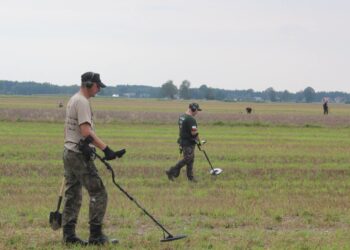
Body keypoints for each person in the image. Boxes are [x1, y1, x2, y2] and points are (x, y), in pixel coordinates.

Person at [62, 71, 123, 245]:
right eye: (97, 86)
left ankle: (69, 237)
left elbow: (68, 130)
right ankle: (96, 237)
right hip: (78, 155)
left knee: (72, 194)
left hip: (69, 152)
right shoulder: (82, 102)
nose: (99, 90)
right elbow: (86, 132)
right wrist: (107, 150)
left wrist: (71, 146)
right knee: (99, 192)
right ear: (89, 84)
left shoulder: (73, 99)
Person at [166, 103, 202, 182]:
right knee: (187, 159)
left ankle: (191, 178)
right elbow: (194, 133)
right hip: (188, 142)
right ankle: (171, 171)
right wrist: (199, 141)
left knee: (190, 159)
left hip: (183, 140)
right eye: (197, 110)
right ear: (193, 109)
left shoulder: (182, 117)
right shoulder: (191, 119)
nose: (197, 112)